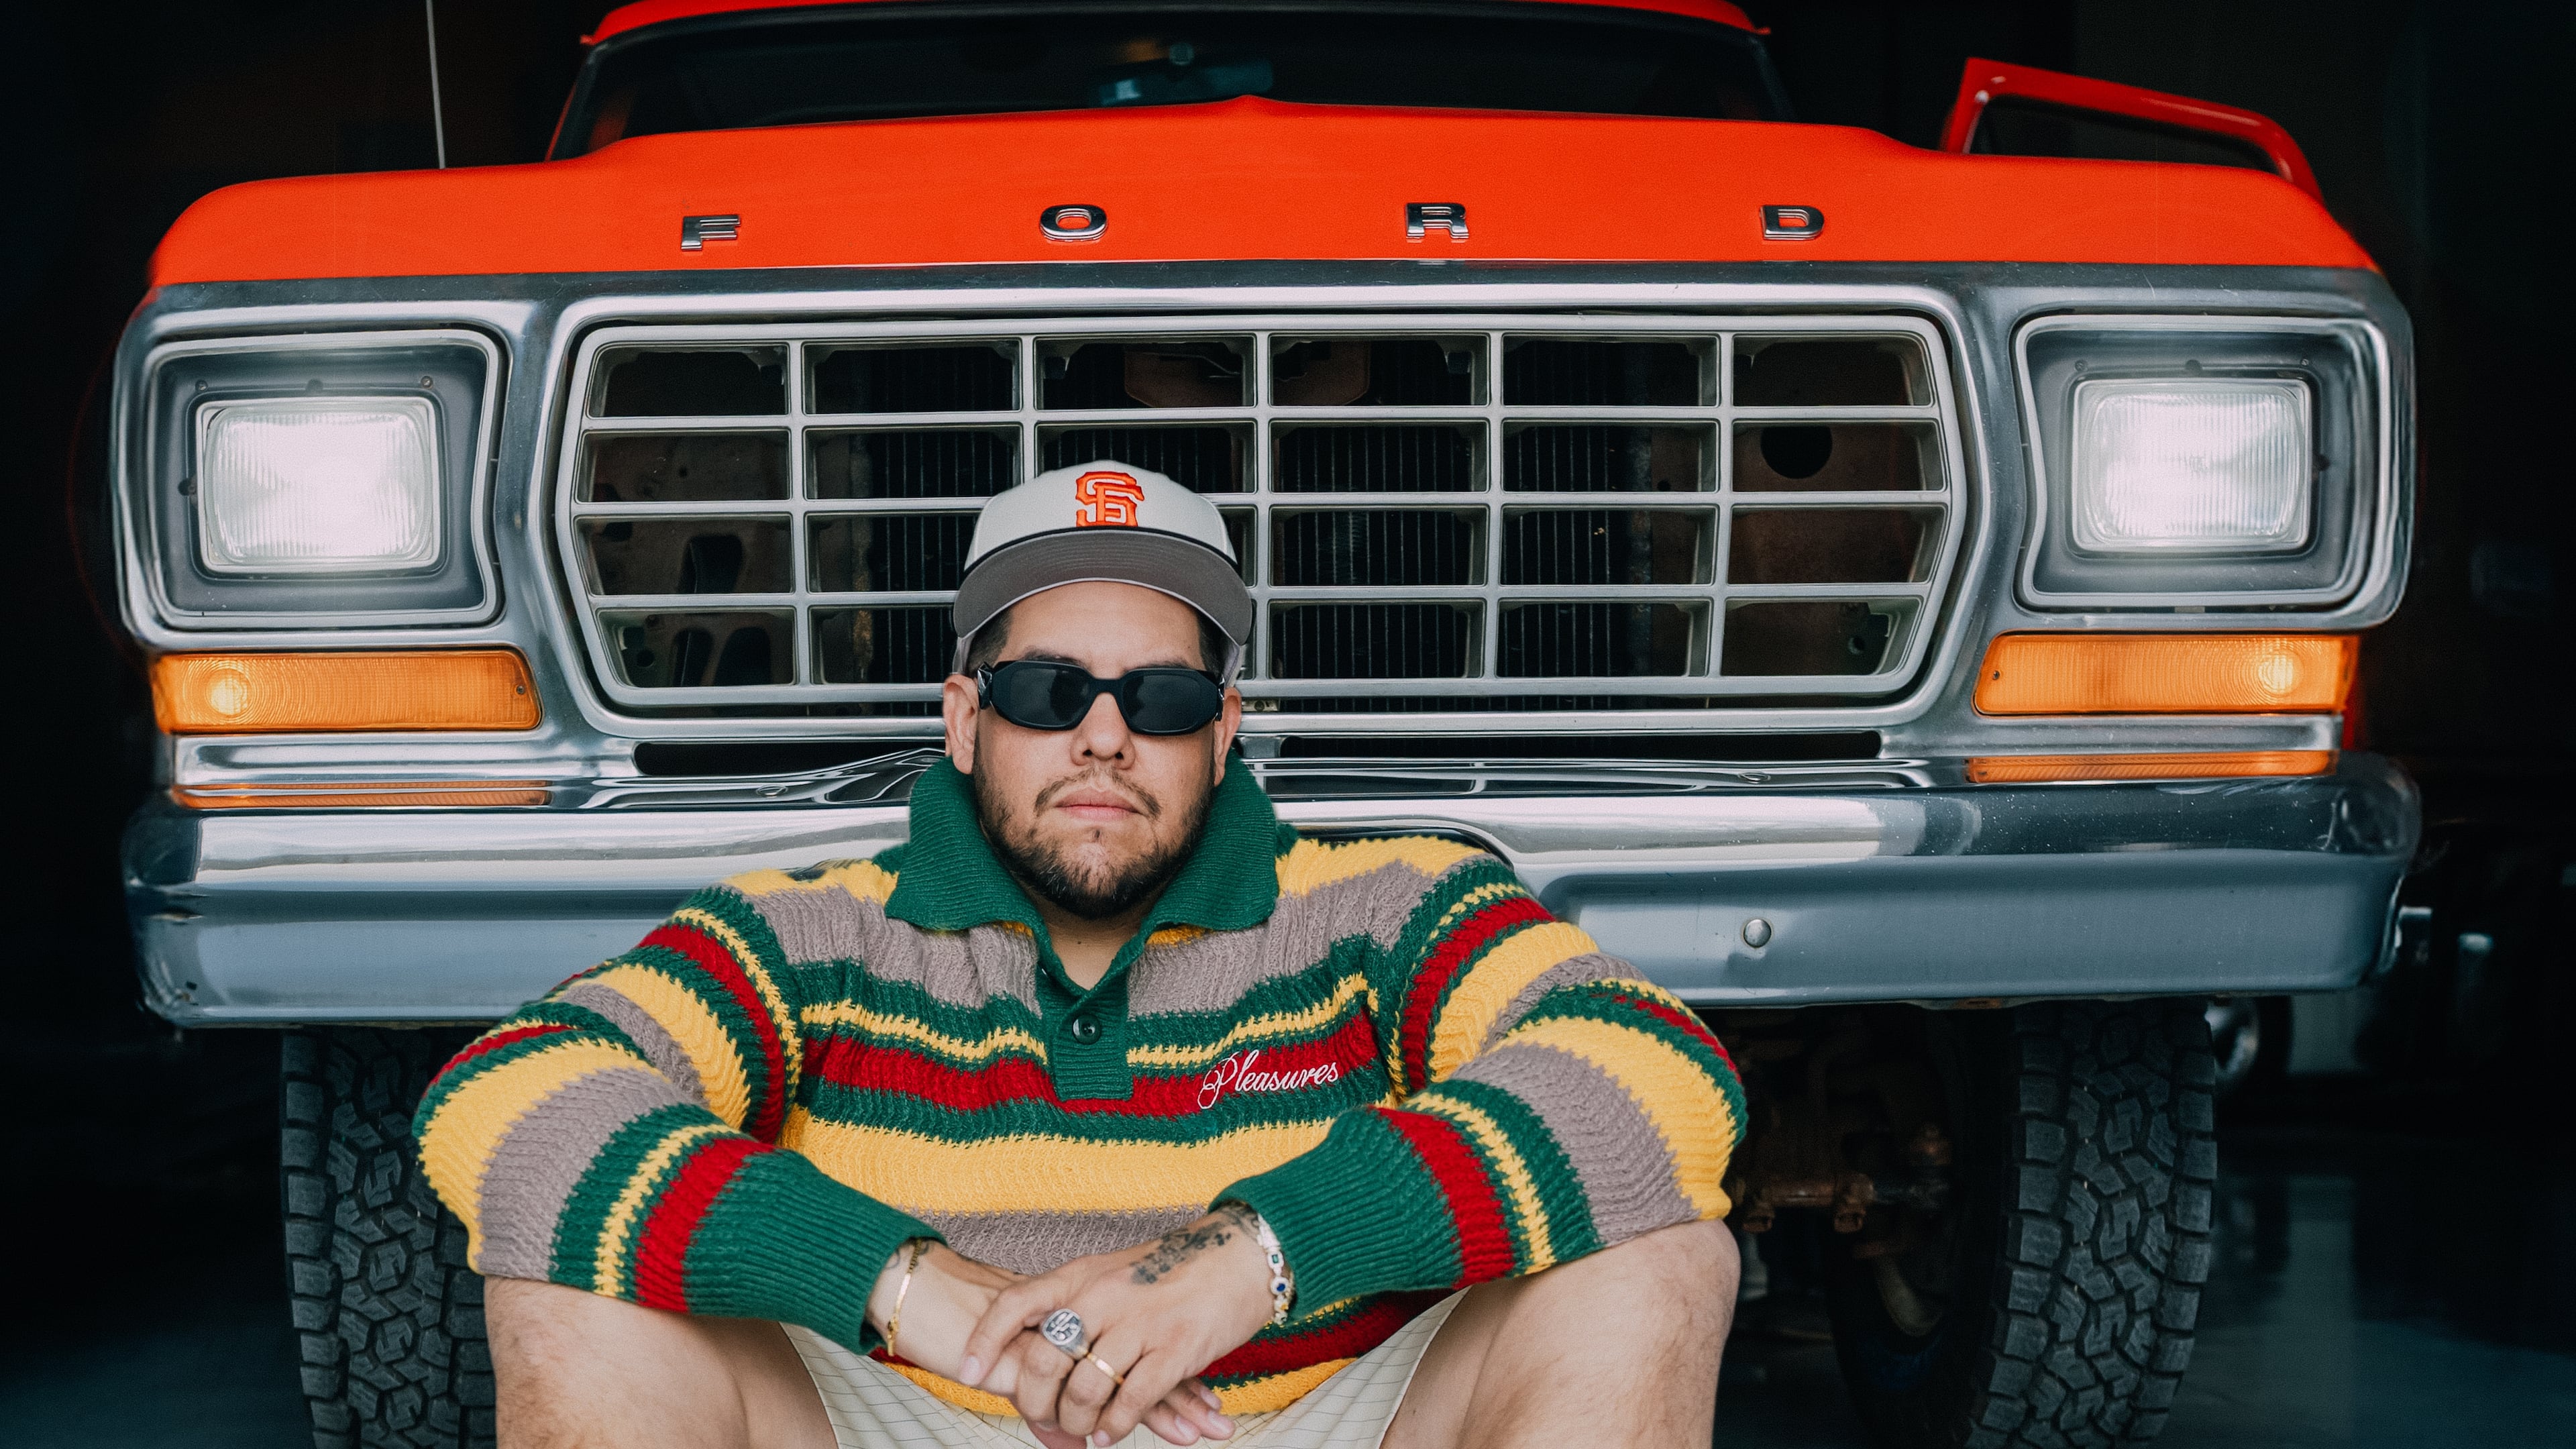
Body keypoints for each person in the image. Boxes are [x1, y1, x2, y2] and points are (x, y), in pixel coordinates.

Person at [415, 461, 1748, 1449]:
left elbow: (1655, 1071)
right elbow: (510, 1092)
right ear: (963, 719)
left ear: (1222, 733)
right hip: (917, 1416)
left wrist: (1252, 1261)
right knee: (574, 1290)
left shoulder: (1387, 906)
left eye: (1158, 699)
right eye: (1049, 692)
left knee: (1659, 1263)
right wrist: (902, 1283)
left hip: (1295, 1421)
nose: (1103, 737)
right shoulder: (808, 930)